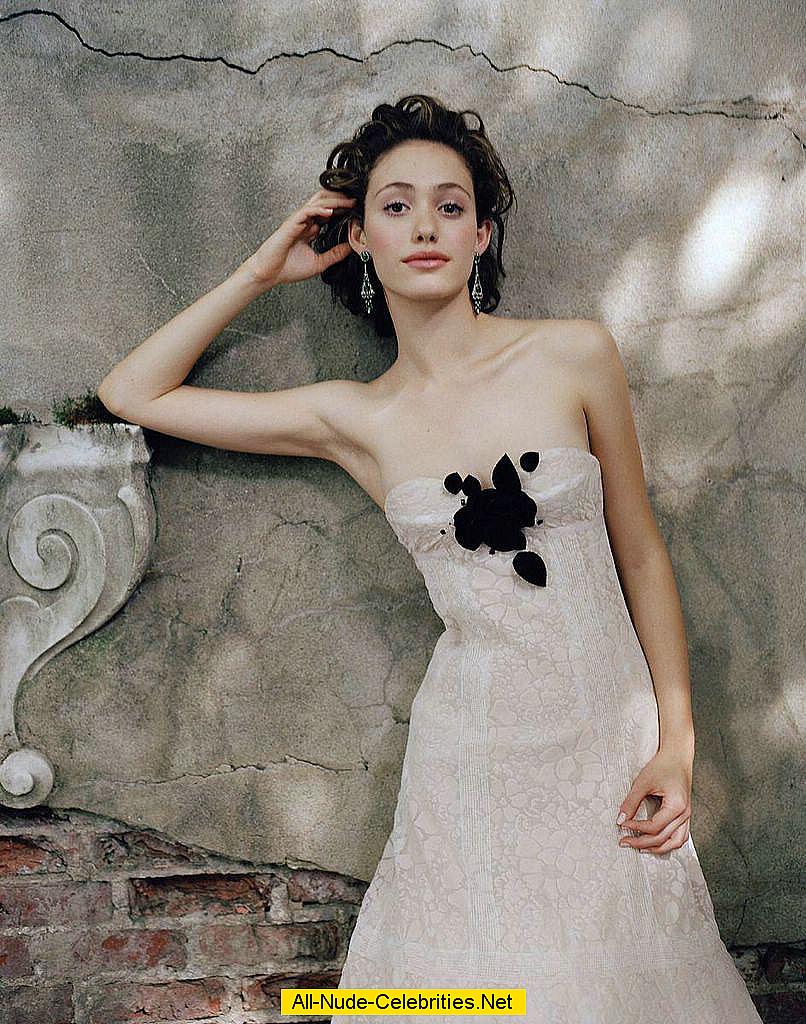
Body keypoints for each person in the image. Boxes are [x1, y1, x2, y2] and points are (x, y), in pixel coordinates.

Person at [98, 95, 763, 1022]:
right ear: (359, 237)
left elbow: (642, 555)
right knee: (474, 995)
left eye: (450, 206)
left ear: (481, 235)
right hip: (470, 753)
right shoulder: (354, 417)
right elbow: (133, 391)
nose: (424, 227)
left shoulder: (573, 354)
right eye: (396, 205)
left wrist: (675, 744)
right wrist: (261, 271)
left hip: (604, 745)